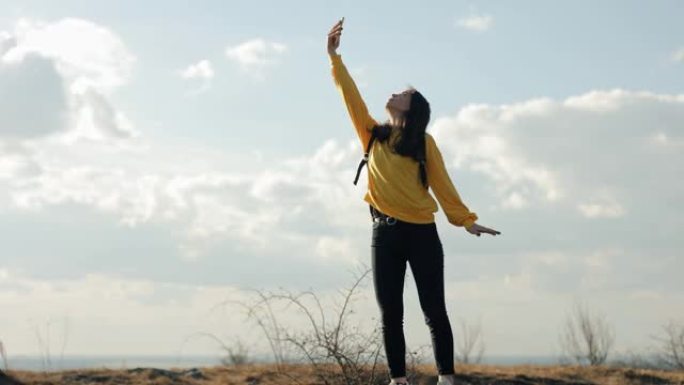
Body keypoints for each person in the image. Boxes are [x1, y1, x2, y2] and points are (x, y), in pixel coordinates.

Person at [327, 18, 501, 385]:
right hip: (384, 234)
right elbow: (350, 97)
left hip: (422, 233)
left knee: (433, 310)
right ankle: (398, 380)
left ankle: (447, 379)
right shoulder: (372, 135)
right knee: (391, 312)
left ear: (412, 108)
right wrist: (334, 57)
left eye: (403, 93)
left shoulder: (425, 143)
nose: (394, 93)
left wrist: (466, 220)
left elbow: (442, 184)